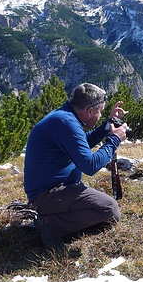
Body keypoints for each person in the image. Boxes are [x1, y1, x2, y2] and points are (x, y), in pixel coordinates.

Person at [23, 83, 128, 247]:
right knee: (109, 209)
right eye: (100, 112)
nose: (100, 115)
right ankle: (48, 224)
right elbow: (90, 165)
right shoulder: (66, 123)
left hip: (55, 190)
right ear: (90, 111)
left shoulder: (64, 117)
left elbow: (81, 144)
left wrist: (108, 124)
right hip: (48, 195)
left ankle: (53, 218)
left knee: (108, 213)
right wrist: (114, 140)